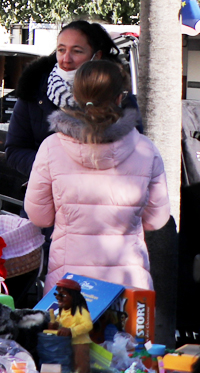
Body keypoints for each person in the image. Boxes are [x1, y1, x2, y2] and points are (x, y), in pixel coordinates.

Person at [24, 60, 169, 294]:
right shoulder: (146, 149)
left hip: (69, 286)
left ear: (75, 95)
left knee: (69, 332)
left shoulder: (51, 147)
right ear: (120, 98)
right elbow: (157, 220)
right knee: (127, 332)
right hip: (130, 286)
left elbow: (39, 217)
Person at [6, 21, 138, 176]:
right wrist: (54, 169)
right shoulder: (33, 90)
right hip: (51, 192)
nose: (66, 59)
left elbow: (136, 149)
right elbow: (15, 151)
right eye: (61, 50)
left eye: (77, 51)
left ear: (97, 56)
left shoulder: (117, 93)